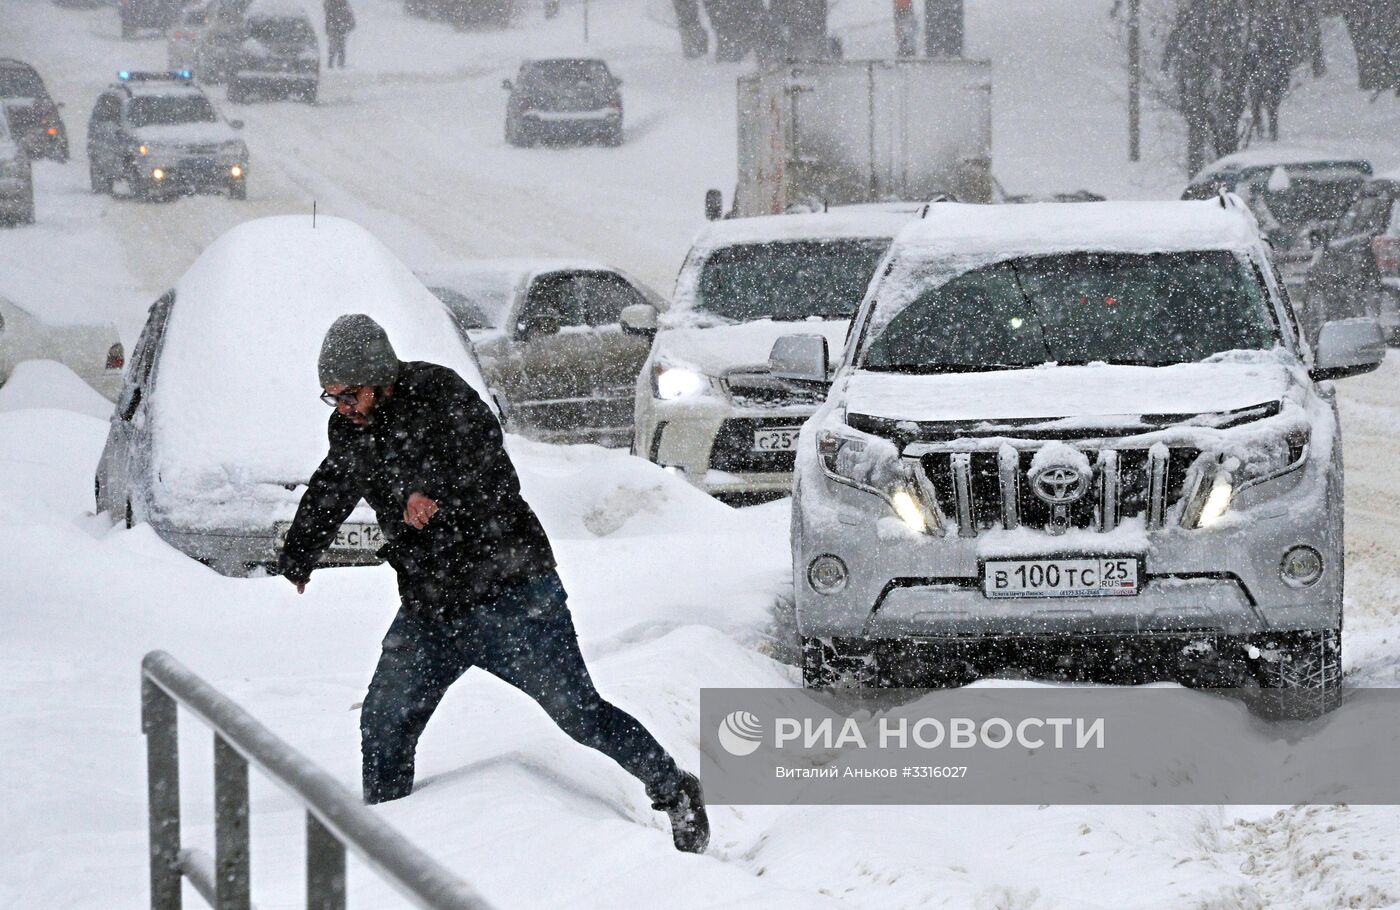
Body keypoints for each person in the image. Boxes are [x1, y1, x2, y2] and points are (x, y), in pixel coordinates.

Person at [278, 314, 709, 853]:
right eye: (332, 397)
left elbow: (492, 473)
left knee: (579, 714)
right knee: (385, 720)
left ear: (380, 378)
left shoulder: (440, 395)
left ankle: (674, 790)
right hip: (430, 610)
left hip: (511, 594)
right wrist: (299, 555)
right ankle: (388, 850)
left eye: (349, 394)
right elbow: (333, 484)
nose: (342, 407)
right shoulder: (349, 430)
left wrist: (430, 494)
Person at [324, 0, 355, 69]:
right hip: (336, 27)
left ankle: (335, 63)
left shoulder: (341, 5)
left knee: (338, 46)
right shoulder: (335, 5)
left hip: (338, 28)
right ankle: (335, 63)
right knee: (337, 46)